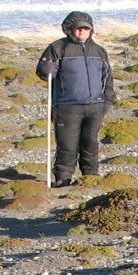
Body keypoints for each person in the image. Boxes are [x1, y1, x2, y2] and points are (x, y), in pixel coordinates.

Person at [36, 10, 115, 185]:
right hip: (67, 105)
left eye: (86, 29)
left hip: (95, 105)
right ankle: (63, 178)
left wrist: (108, 99)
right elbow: (44, 73)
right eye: (78, 29)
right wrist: (46, 68)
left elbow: (107, 76)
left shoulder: (99, 51)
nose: (82, 32)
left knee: (90, 143)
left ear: (91, 30)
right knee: (67, 145)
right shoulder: (58, 48)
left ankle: (90, 176)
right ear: (70, 29)